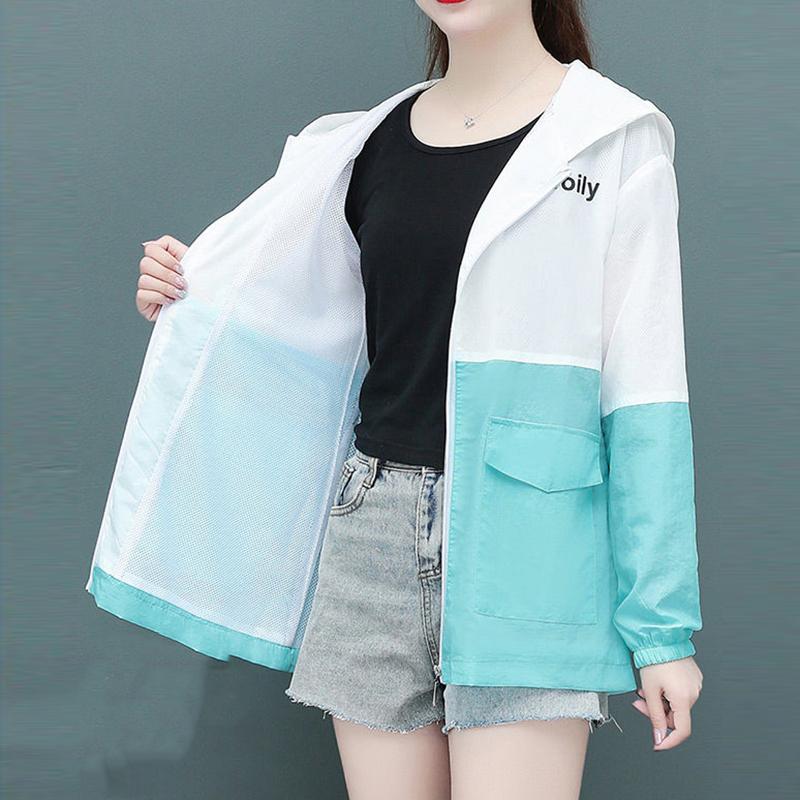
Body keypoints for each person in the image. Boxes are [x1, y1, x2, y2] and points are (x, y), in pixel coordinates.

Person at [98, 1, 703, 797]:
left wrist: (662, 631)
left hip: (533, 546)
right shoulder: (362, 144)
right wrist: (187, 291)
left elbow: (647, 395)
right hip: (370, 532)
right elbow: (299, 327)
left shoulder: (614, 137)